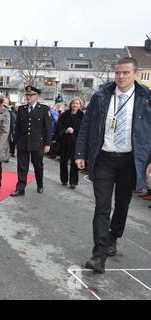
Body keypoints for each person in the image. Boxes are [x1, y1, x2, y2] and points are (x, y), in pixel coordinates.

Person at [75, 57, 151, 274]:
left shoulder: (146, 97)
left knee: (122, 205)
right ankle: (98, 255)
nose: (121, 77)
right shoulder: (100, 96)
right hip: (104, 158)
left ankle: (113, 237)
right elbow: (87, 125)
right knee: (102, 206)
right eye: (118, 72)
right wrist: (81, 153)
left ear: (135, 73)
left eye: (126, 72)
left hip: (130, 159)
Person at [11, 86, 52, 197]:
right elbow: (18, 128)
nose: (28, 97)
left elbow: (47, 127)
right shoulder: (21, 109)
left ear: (36, 96)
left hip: (37, 143)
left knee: (38, 165)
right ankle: (20, 189)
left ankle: (40, 184)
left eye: (31, 95)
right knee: (22, 166)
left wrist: (47, 143)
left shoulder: (44, 109)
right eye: (27, 95)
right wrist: (15, 142)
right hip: (23, 142)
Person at [57, 97, 84, 189]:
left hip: (76, 142)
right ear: (70, 104)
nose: (75, 105)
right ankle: (64, 179)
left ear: (80, 105)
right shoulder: (64, 115)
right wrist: (66, 130)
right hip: (65, 141)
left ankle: (73, 182)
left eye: (77, 103)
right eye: (73, 103)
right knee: (63, 161)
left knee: (74, 162)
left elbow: (85, 130)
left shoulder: (82, 116)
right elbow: (59, 126)